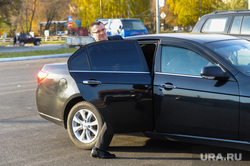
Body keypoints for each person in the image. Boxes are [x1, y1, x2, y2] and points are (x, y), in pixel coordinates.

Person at [88, 21, 123, 159]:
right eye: (97, 31)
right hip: (106, 87)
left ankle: (99, 149)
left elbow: (128, 55)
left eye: (103, 29)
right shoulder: (92, 50)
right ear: (92, 35)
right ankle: (99, 149)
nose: (102, 33)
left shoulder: (118, 40)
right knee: (112, 118)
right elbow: (94, 69)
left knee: (117, 116)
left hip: (124, 83)